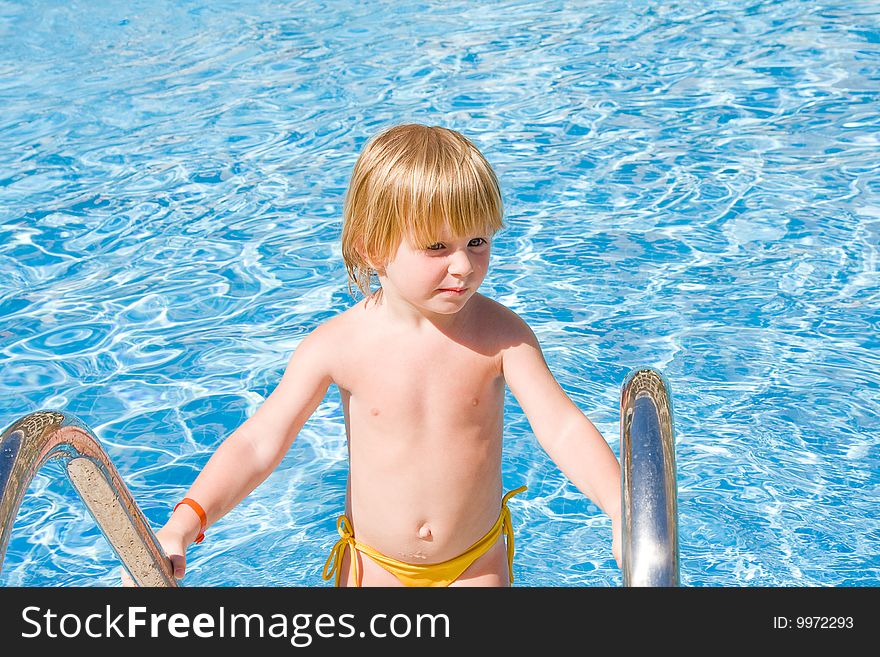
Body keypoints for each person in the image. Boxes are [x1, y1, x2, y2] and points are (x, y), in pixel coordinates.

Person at [123, 123, 622, 587]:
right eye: (436, 246)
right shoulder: (339, 345)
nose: (464, 266)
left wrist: (625, 511)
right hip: (376, 566)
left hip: (476, 562)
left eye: (477, 242)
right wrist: (184, 523)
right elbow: (260, 441)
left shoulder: (500, 336)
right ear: (373, 247)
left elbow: (561, 427)